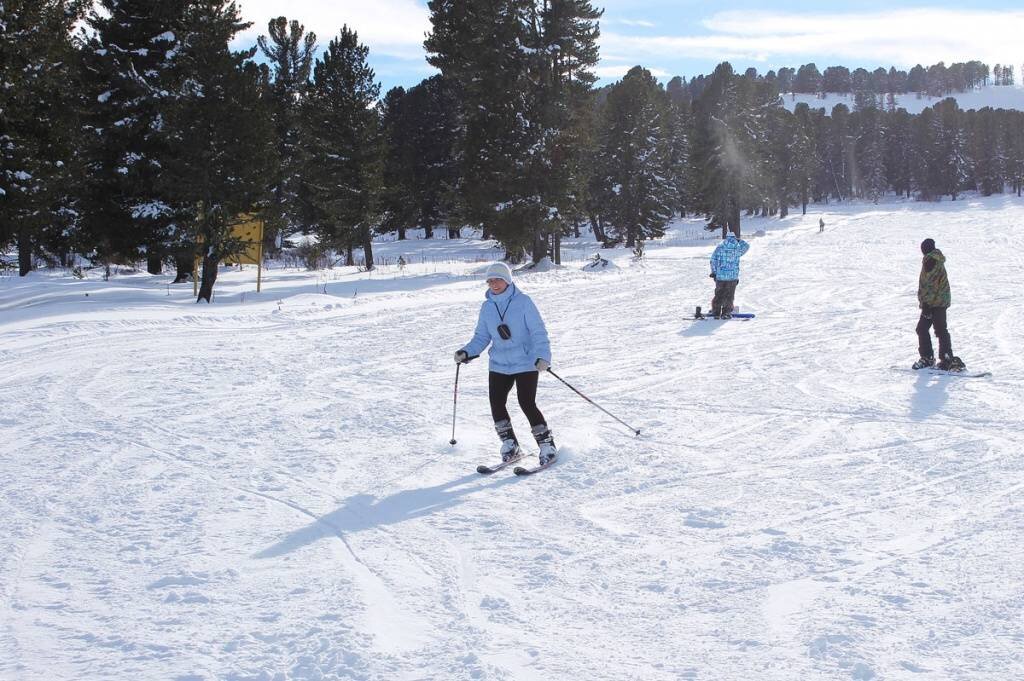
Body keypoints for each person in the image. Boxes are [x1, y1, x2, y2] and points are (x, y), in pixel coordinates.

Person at [455, 262, 557, 466]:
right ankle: (510, 444)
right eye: (490, 280)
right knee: (496, 403)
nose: (494, 284)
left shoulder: (524, 302)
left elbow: (538, 332)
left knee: (526, 402)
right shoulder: (487, 307)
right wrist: (467, 351)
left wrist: (543, 356)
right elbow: (482, 336)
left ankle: (547, 445)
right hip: (499, 364)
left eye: (498, 279)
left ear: (507, 280)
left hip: (526, 362)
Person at [914, 238, 965, 371]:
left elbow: (929, 286)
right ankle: (942, 357)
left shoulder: (931, 261)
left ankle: (939, 358)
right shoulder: (933, 259)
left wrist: (926, 305)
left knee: (932, 329)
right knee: (933, 329)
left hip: (935, 303)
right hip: (937, 302)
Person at [709, 231, 750, 319]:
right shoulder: (737, 248)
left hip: (720, 276)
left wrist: (714, 272)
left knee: (719, 294)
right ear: (734, 237)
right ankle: (726, 313)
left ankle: (716, 312)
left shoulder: (720, 247)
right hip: (732, 277)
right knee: (729, 295)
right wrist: (739, 240)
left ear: (726, 237)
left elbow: (713, 260)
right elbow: (747, 246)